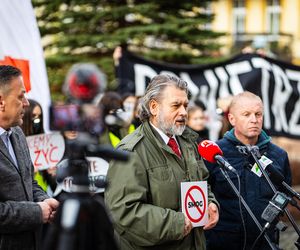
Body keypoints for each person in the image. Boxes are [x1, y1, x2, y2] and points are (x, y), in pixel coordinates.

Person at [105, 74, 219, 250]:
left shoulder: (188, 142)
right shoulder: (131, 151)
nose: (183, 112)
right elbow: (124, 212)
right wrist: (177, 223)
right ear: (153, 107)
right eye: (176, 105)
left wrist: (210, 203)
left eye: (185, 106)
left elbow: (203, 182)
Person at [204, 91, 292, 250]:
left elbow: (284, 194)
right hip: (223, 243)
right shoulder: (214, 153)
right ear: (232, 119)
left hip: (266, 242)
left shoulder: (279, 155)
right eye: (246, 114)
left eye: (258, 114)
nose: (254, 120)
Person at [0, 65, 59, 250]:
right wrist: (36, 212)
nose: (26, 102)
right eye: (20, 96)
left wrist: (44, 200)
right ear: (1, 101)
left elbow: (29, 181)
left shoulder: (17, 133)